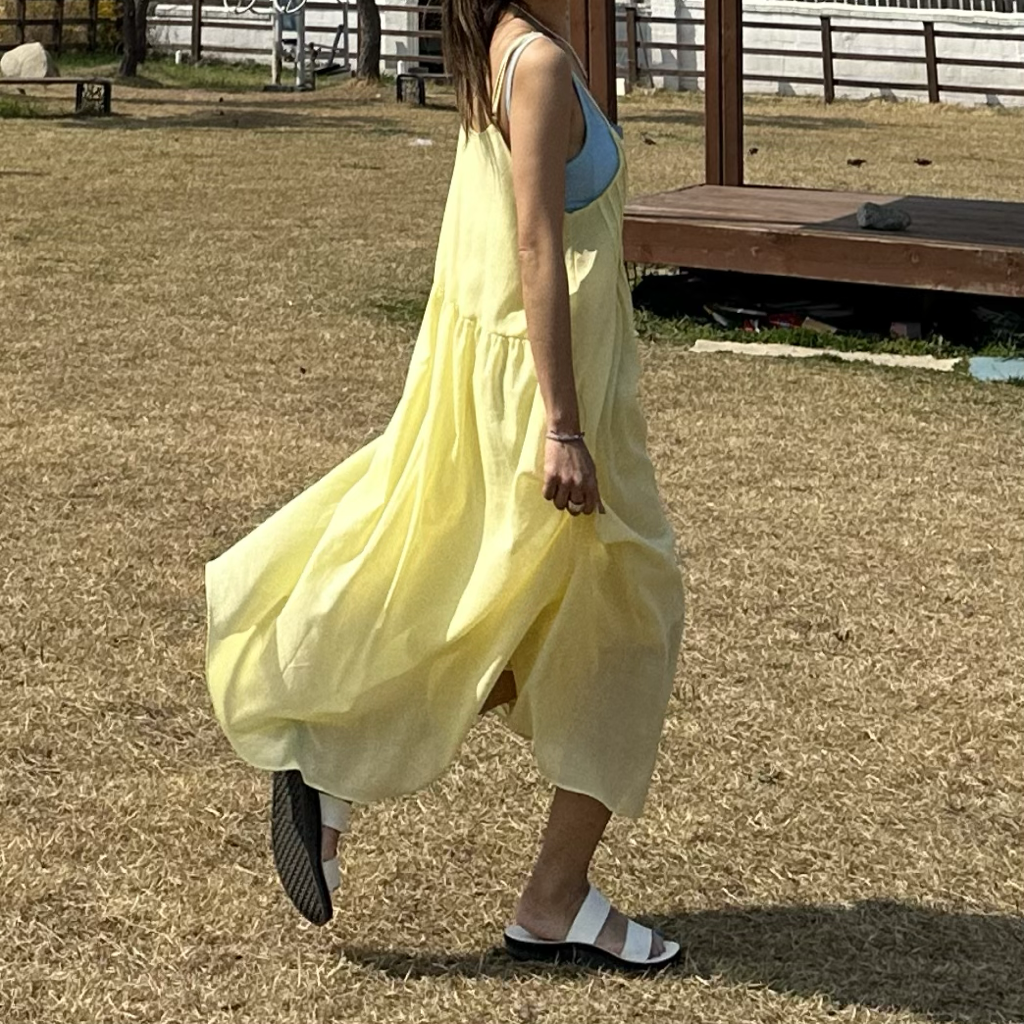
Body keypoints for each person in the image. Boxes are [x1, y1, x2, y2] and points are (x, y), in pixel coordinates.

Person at [205, 0, 685, 971]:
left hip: (533, 395)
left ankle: (342, 774)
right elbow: (534, 247)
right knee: (628, 629)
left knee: (526, 625)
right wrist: (563, 428)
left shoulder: (498, 56)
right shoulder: (533, 64)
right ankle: (549, 898)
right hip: (551, 412)